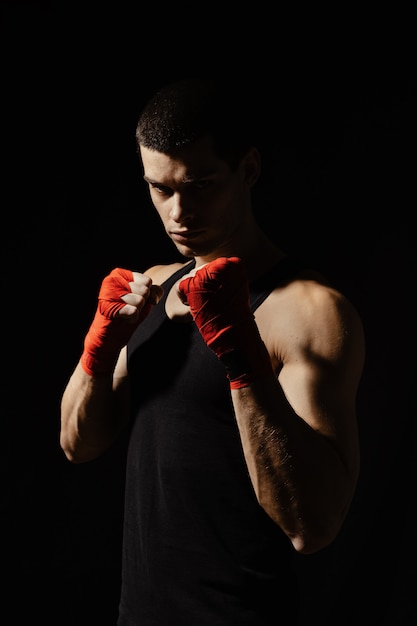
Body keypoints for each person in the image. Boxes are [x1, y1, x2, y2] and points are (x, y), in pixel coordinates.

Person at [60, 78, 366, 626]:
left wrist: (242, 356)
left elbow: (312, 526)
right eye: (160, 189)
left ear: (247, 170)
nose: (179, 212)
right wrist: (97, 353)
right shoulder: (150, 288)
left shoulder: (308, 310)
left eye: (200, 185)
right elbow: (76, 445)